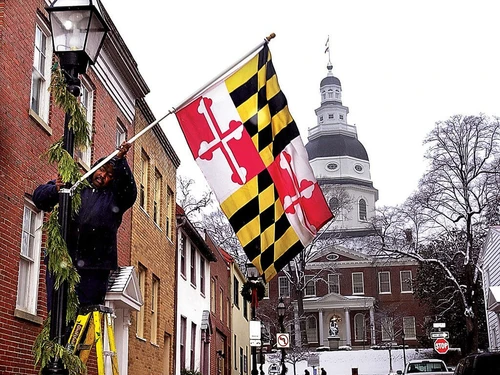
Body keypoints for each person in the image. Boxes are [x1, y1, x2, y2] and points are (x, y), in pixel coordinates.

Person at [34, 142, 137, 308]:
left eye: (110, 175)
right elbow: (39, 198)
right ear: (95, 168)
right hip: (62, 261)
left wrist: (119, 160)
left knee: (85, 315)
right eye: (102, 170)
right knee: (57, 313)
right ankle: (58, 335)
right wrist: (56, 190)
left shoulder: (115, 197)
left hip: (94, 269)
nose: (104, 176)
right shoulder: (75, 185)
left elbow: (129, 191)